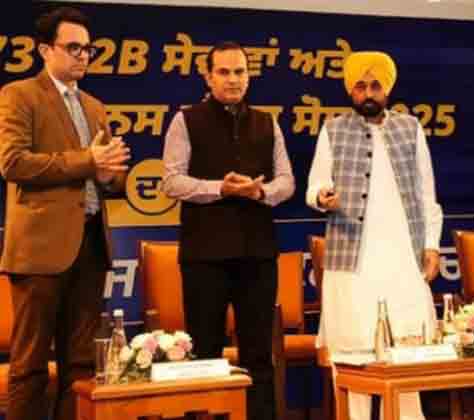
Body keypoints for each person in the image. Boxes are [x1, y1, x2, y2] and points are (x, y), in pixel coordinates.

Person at [0, 7, 130, 420]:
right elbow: (13, 163)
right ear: (44, 50)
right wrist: (88, 161)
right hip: (40, 250)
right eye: (73, 48)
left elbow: (107, 176)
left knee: (82, 365)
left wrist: (110, 175)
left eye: (88, 49)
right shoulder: (19, 95)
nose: (83, 56)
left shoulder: (95, 106)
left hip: (90, 245)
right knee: (30, 366)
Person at [306, 51, 443, 420]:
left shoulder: (410, 128)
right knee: (355, 354)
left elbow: (427, 193)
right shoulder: (333, 129)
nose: (368, 93)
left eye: (375, 86)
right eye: (361, 86)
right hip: (353, 259)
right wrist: (322, 196)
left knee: (407, 352)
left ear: (388, 89)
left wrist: (431, 245)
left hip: (402, 254)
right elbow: (314, 186)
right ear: (350, 90)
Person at [162, 41, 295, 420]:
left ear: (249, 77)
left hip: (258, 254)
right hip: (205, 256)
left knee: (259, 356)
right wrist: (219, 188)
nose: (233, 79)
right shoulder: (185, 120)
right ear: (208, 77)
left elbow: (286, 181)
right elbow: (171, 181)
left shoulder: (267, 122)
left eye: (240, 72)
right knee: (205, 355)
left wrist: (260, 192)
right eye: (223, 72)